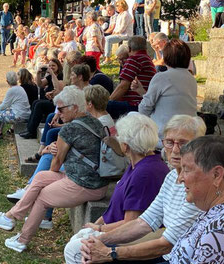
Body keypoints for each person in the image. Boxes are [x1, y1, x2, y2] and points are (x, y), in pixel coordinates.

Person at [0, 86, 109, 253]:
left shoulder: (69, 129)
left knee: (43, 197)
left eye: (62, 109)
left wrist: (53, 151)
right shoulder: (93, 121)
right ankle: (9, 217)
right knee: (41, 177)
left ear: (75, 107)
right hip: (93, 180)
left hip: (86, 184)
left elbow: (56, 166)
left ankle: (22, 240)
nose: (59, 113)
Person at [80, 115, 205, 264]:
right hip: (169, 253)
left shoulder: (199, 184)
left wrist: (110, 253)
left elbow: (167, 244)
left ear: (198, 146)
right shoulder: (171, 176)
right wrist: (98, 240)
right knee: (87, 250)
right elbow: (144, 222)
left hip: (181, 257)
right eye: (170, 142)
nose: (175, 149)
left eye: (183, 143)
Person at [64, 113, 170, 264]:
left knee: (74, 249)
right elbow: (115, 208)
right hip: (114, 231)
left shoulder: (145, 173)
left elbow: (131, 223)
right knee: (78, 240)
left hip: (129, 240)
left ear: (125, 146)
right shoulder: (138, 163)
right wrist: (97, 224)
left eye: (119, 137)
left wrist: (100, 230)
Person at [169, 135, 224, 263]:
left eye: (186, 169)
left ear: (216, 175)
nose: (180, 178)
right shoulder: (218, 210)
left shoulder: (223, 229)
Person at [133, 39, 197, 145]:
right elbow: (170, 100)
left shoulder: (161, 77)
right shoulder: (191, 79)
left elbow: (143, 109)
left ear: (166, 58)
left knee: (131, 116)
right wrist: (142, 92)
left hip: (164, 135)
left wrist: (144, 96)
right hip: (188, 133)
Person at [107, 36, 156, 119]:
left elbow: (123, 87)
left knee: (101, 107)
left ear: (129, 49)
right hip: (144, 103)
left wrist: (109, 101)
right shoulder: (147, 59)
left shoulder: (134, 59)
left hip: (134, 104)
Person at [0, 71, 31, 144]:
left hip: (19, 116)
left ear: (7, 81)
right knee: (0, 112)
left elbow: (4, 104)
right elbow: (6, 105)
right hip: (25, 114)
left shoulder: (11, 90)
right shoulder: (20, 88)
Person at [19, 59, 63, 139]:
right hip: (49, 99)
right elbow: (40, 84)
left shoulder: (61, 76)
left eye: (53, 65)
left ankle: (31, 132)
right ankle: (29, 129)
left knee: (39, 104)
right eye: (49, 66)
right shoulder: (49, 76)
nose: (51, 67)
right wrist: (38, 74)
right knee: (36, 102)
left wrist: (52, 74)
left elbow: (58, 88)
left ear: (58, 66)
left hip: (56, 103)